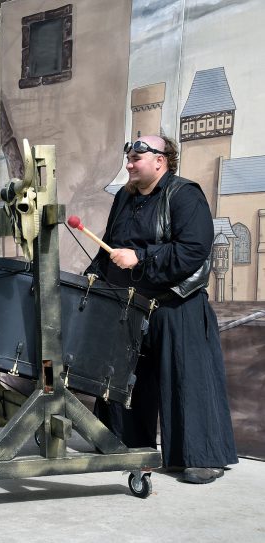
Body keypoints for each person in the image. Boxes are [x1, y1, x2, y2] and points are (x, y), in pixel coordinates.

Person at [85, 135, 237, 484]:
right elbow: (112, 244)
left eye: (137, 157)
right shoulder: (124, 197)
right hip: (132, 304)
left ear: (161, 160)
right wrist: (94, 277)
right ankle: (124, 442)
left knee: (187, 380)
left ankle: (199, 457)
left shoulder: (185, 195)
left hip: (176, 304)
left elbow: (193, 251)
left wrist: (141, 258)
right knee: (127, 379)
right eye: (128, 157)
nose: (129, 163)